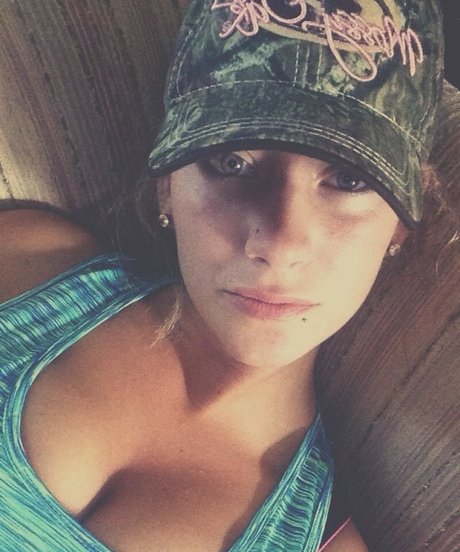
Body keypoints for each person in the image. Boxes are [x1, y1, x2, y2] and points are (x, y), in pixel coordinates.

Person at [0, 0, 445, 550]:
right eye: (232, 162)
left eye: (350, 180)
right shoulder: (25, 259)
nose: (278, 245)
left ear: (401, 220)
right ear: (167, 182)